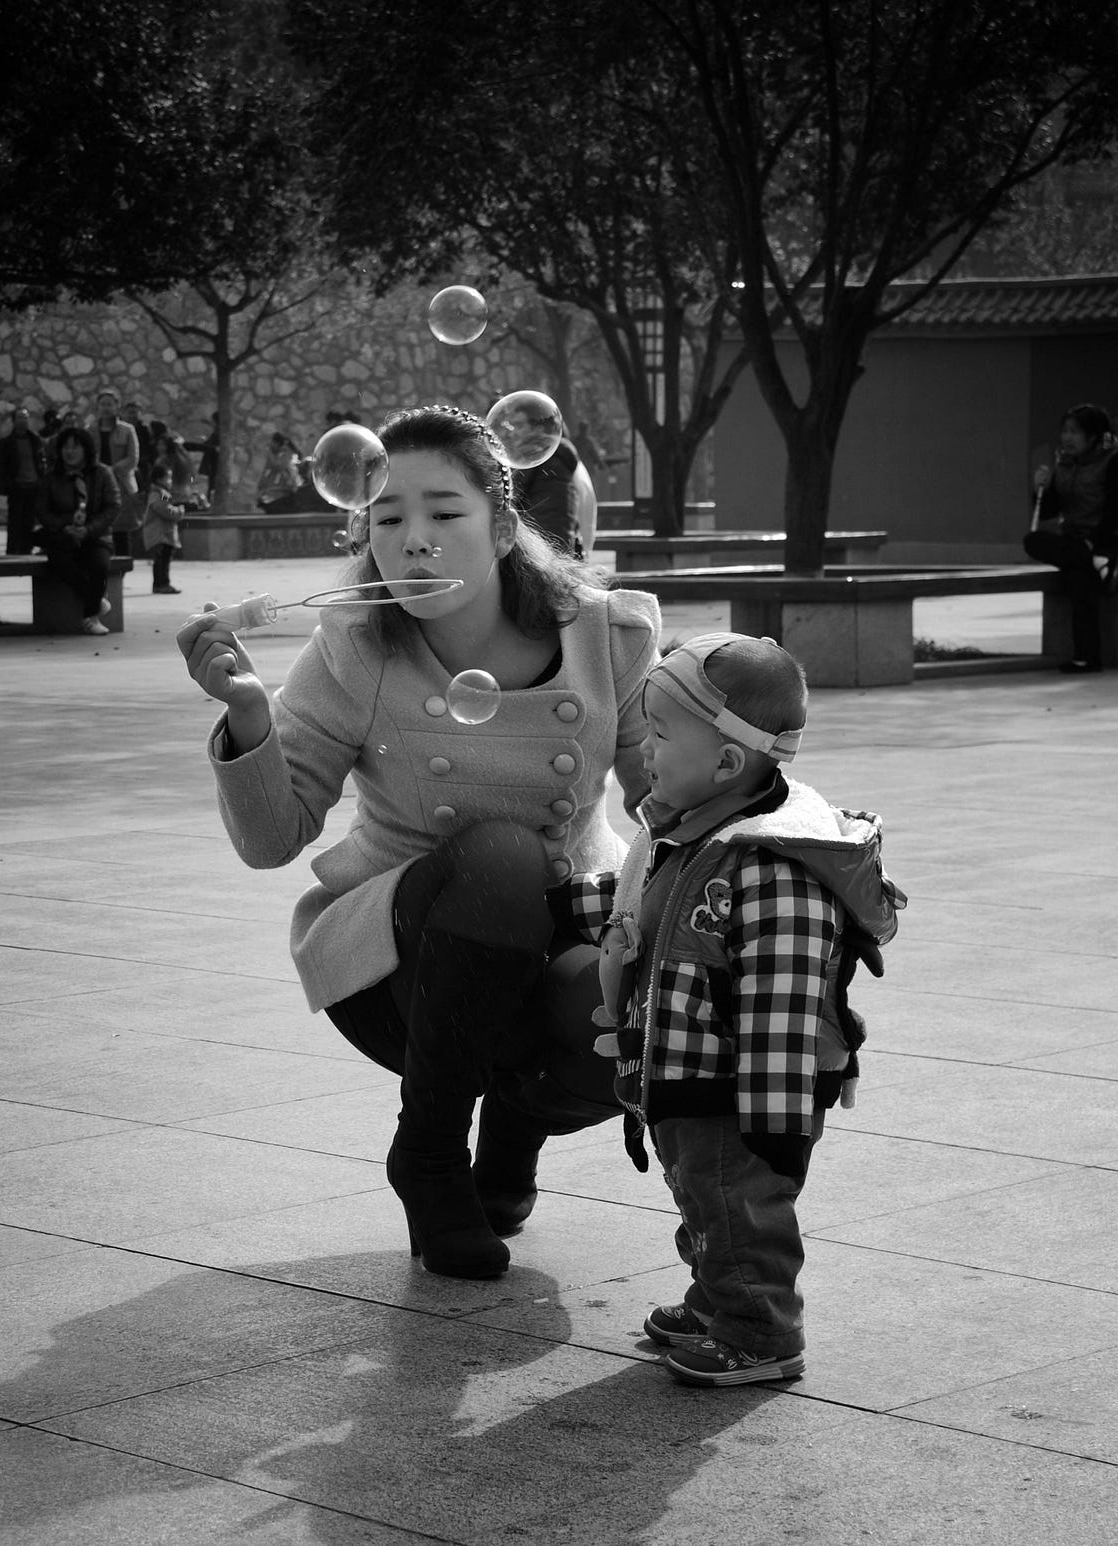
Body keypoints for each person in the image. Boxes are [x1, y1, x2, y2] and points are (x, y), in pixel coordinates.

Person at [176, 403, 663, 1280]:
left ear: (504, 526)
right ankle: (431, 1157)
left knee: (619, 1006)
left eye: (445, 513)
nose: (414, 541)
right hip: (407, 963)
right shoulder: (357, 645)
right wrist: (248, 715)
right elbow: (271, 839)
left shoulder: (607, 635)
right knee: (501, 857)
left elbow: (664, 805)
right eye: (388, 518)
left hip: (567, 932)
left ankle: (512, 1138)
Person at [553, 633, 904, 1386]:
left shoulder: (775, 867)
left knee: (740, 1207)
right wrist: (561, 908)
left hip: (742, 1090)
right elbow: (641, 903)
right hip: (686, 1070)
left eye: (661, 732)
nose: (645, 748)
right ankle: (716, 1301)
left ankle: (760, 1333)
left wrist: (770, 1123)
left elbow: (786, 995)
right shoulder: (692, 829)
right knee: (704, 1201)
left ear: (727, 761)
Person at [1024, 402, 1118, 674]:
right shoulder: (1064, 462)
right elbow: (1051, 510)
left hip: (1106, 539)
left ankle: (1087, 657)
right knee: (1033, 540)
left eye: (1074, 432)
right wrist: (1039, 487)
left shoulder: (1112, 461)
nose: (1066, 438)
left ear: (1093, 437)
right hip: (1077, 544)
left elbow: (1115, 513)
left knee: (1078, 577)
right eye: (1064, 431)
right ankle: (1099, 565)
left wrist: (1093, 543)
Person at [34, 426, 119, 635]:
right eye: (65, 447)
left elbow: (113, 506)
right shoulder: (51, 478)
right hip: (63, 536)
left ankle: (90, 617)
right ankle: (96, 603)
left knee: (99, 565)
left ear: (86, 450)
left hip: (97, 536)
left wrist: (88, 530)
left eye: (75, 447)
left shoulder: (102, 473)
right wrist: (66, 525)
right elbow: (42, 511)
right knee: (59, 561)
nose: (69, 452)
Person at [0, 407, 47, 555]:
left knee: (29, 521)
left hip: (33, 486)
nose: (23, 420)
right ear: (13, 420)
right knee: (14, 521)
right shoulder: (6, 443)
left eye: (25, 417)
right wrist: (9, 483)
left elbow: (41, 462)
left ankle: (26, 549)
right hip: (16, 487)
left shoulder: (35, 440)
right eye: (19, 417)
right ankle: (12, 550)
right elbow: (1, 465)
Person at [95, 389, 141, 557]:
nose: (106, 408)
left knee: (121, 530)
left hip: (122, 483)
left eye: (110, 404)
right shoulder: (91, 429)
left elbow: (133, 458)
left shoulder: (127, 430)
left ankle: (122, 567)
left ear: (117, 406)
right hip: (98, 484)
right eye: (103, 404)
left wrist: (112, 470)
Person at [140, 459, 183, 594]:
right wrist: (179, 511)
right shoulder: (159, 494)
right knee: (162, 561)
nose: (170, 481)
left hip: (163, 534)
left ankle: (160, 584)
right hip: (160, 535)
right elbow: (163, 509)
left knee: (162, 560)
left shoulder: (160, 493)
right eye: (168, 478)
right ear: (159, 479)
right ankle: (162, 584)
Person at [256, 430, 303, 510]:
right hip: (274, 492)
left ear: (277, 443)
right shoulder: (276, 455)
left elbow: (279, 465)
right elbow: (267, 471)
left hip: (282, 492)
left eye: (272, 443)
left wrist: (269, 453)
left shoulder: (287, 453)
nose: (270, 445)